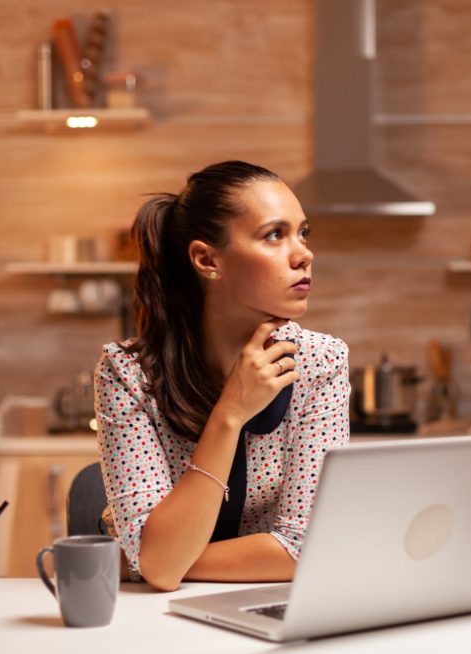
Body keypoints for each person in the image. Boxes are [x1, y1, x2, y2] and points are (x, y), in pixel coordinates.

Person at [94, 160, 350, 591]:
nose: (304, 253)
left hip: (272, 608)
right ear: (206, 259)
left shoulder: (321, 363)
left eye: (302, 233)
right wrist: (231, 411)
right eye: (275, 234)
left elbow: (306, 547)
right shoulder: (128, 375)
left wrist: (150, 559)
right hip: (151, 619)